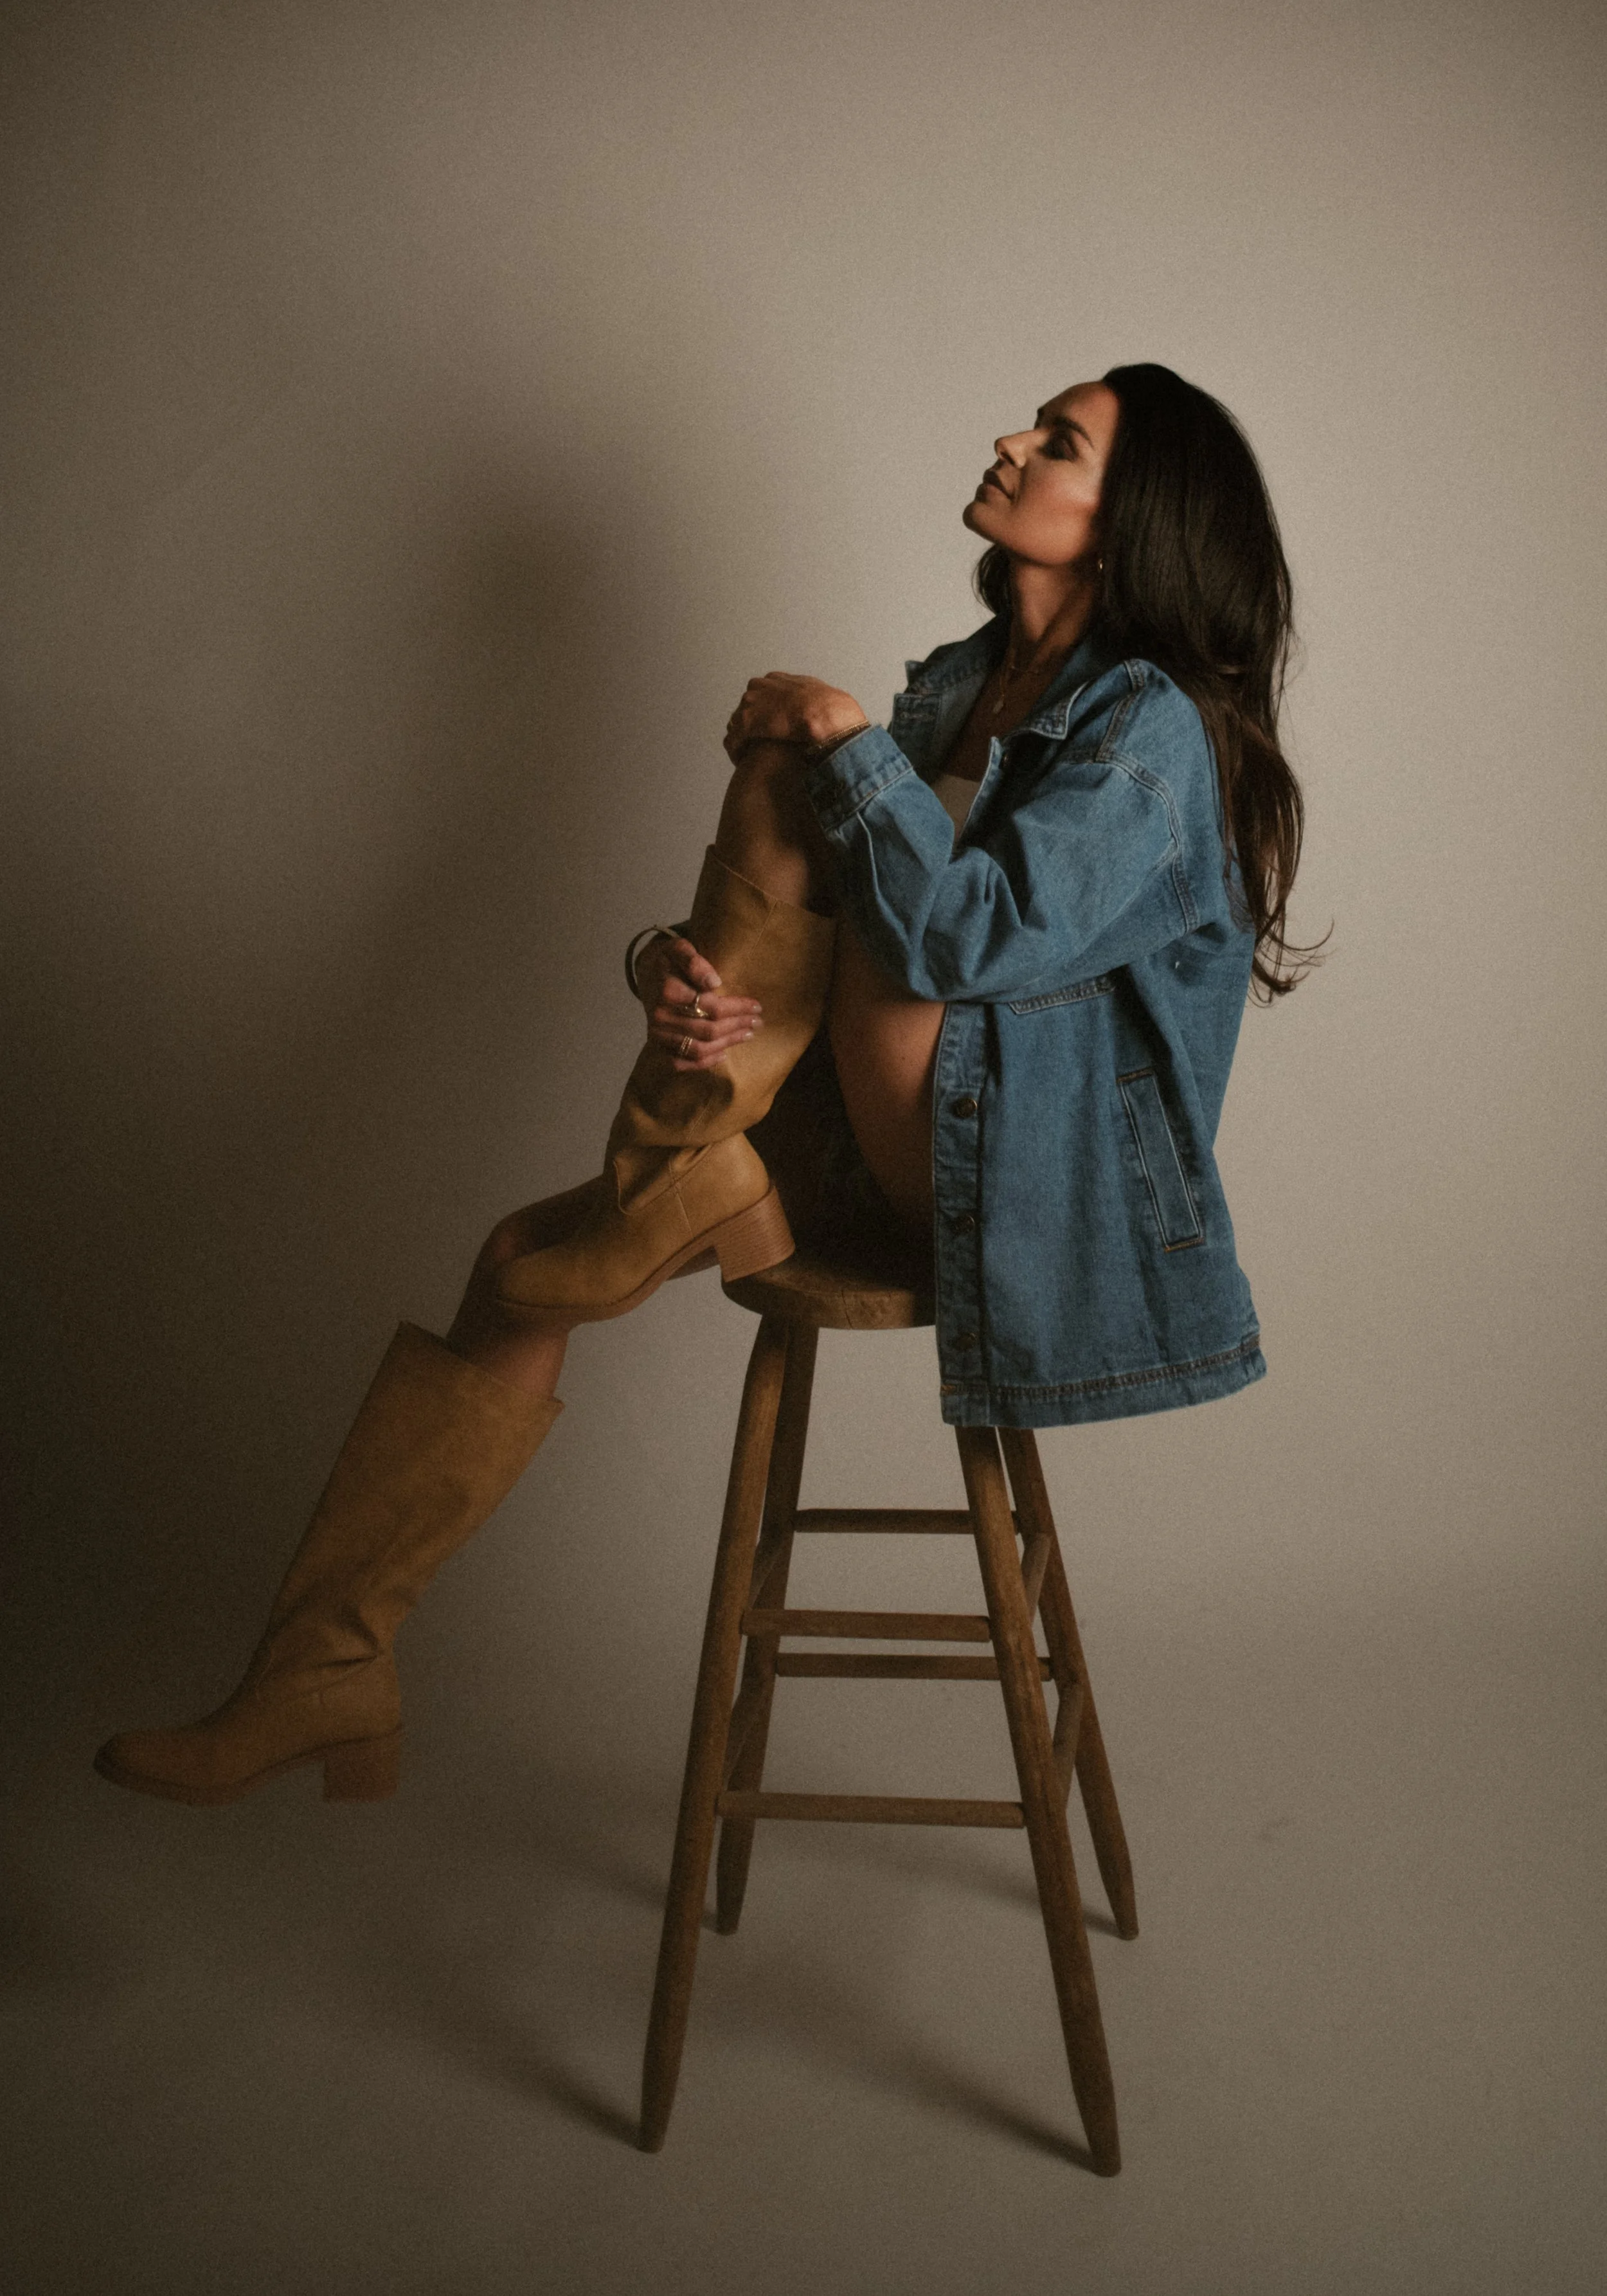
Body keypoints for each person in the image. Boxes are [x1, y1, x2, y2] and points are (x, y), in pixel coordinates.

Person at [94, 361, 1313, 1807]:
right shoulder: (965, 684)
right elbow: (807, 932)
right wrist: (671, 979)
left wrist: (843, 741)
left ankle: (673, 1165)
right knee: (518, 1265)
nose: (1007, 440)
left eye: (1056, 442)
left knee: (805, 769)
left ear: (1133, 522)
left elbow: (957, 934)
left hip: (1038, 1195)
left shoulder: (1151, 730)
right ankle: (325, 1665)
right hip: (885, 1140)